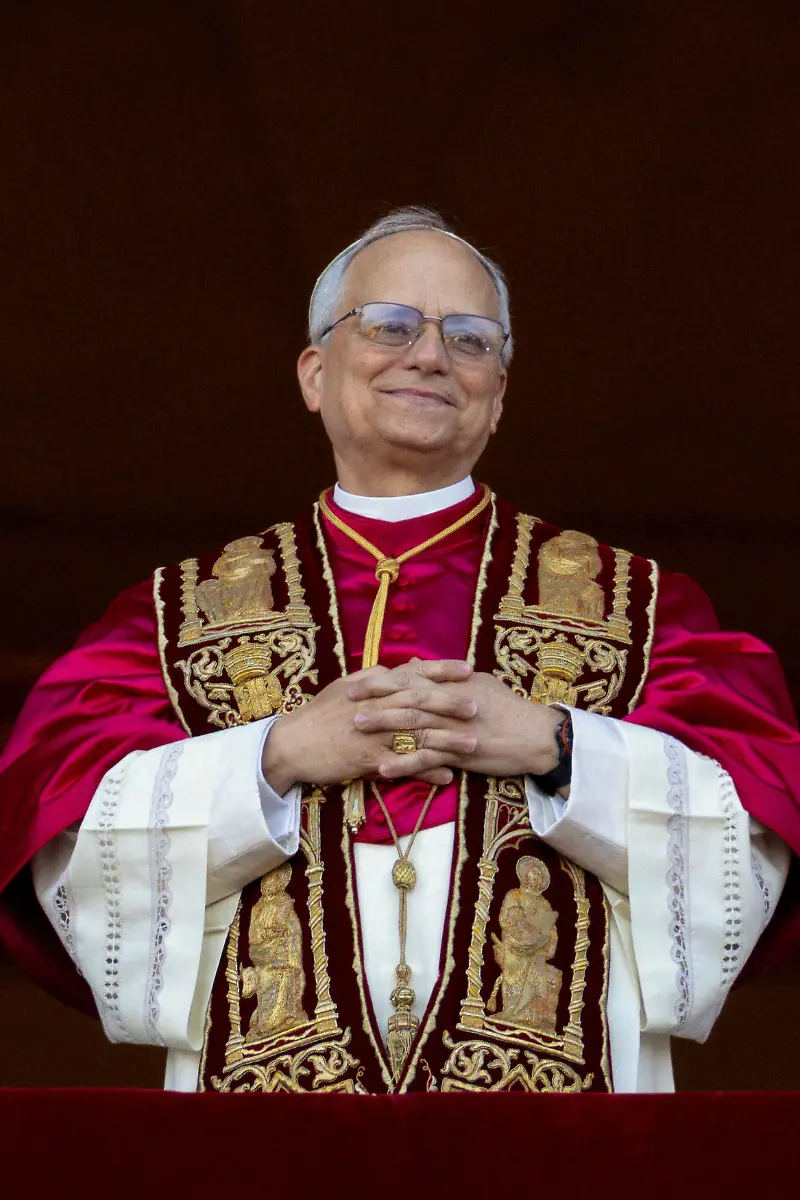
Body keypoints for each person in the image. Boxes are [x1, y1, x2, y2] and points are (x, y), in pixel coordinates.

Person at [1, 207, 799, 1095]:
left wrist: (560, 746)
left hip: (557, 1140)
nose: (428, 356)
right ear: (313, 372)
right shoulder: (172, 617)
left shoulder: (640, 610)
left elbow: (760, 826)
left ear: (499, 395)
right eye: (388, 326)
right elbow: (59, 829)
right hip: (266, 1139)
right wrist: (273, 756)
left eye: (469, 339)